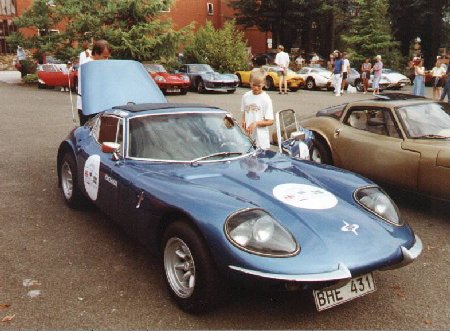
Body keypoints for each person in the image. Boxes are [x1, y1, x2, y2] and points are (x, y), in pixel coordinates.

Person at [77, 39, 111, 125]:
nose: (106, 59)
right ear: (96, 53)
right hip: (87, 105)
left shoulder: (102, 63)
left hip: (100, 104)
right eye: (104, 56)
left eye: (108, 57)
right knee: (87, 131)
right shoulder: (87, 65)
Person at [240, 71, 274, 150]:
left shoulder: (266, 99)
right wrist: (243, 120)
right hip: (248, 137)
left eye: (259, 86)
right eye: (253, 85)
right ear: (250, 82)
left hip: (261, 140)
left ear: (264, 84)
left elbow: (270, 121)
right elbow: (245, 111)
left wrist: (256, 123)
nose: (256, 88)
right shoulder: (246, 96)